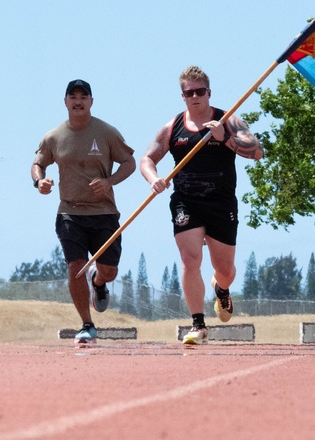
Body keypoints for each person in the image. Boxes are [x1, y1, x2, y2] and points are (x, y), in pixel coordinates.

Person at [140, 66, 263, 345]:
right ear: (182, 96)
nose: (195, 96)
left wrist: (226, 140)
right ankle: (198, 325)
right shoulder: (172, 127)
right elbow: (147, 159)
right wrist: (154, 179)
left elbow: (256, 151)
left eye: (200, 91)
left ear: (209, 93)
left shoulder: (229, 120)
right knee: (190, 259)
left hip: (221, 202)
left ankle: (221, 288)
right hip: (186, 201)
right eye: (189, 92)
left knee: (226, 270)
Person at [32, 79, 136, 345]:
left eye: (83, 96)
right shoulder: (53, 137)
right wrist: (39, 181)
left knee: (109, 270)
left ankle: (99, 283)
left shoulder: (106, 132)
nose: (78, 101)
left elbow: (129, 161)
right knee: (75, 266)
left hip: (104, 214)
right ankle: (86, 324)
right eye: (73, 96)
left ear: (91, 101)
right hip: (69, 213)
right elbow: (38, 163)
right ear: (65, 101)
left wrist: (109, 181)